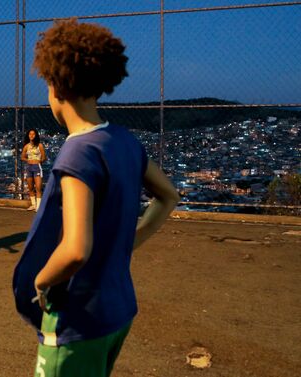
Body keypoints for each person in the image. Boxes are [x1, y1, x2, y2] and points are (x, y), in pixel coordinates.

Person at [12, 19, 180, 376]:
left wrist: (40, 281)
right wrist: (129, 242)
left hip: (78, 318)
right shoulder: (124, 141)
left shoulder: (77, 153)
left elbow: (75, 249)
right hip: (118, 310)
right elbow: (168, 196)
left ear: (55, 87)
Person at [21, 129, 47, 211]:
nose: (31, 136)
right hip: (29, 167)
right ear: (28, 136)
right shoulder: (26, 146)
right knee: (30, 187)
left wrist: (39, 161)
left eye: (33, 134)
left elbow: (44, 157)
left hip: (37, 167)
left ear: (36, 135)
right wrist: (28, 160)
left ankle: (38, 207)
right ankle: (33, 205)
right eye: (30, 134)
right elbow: (22, 157)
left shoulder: (40, 145)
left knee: (38, 187)